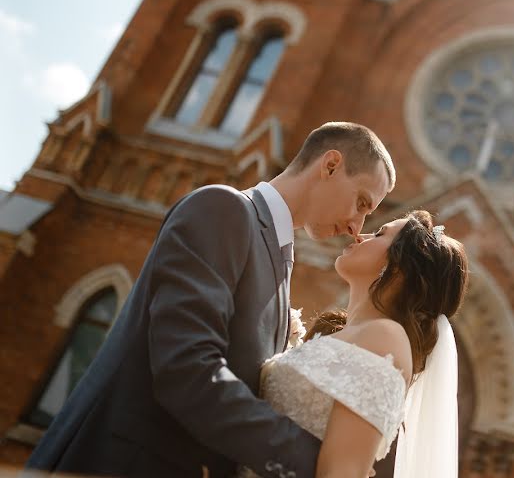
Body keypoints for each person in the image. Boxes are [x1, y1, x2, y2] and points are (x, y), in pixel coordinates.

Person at [26, 122, 395, 478]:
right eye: (361, 202)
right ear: (330, 166)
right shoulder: (224, 210)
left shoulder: (279, 260)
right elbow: (186, 369)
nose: (355, 227)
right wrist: (323, 463)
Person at [246, 209, 469, 478]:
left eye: (378, 233)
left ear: (399, 267)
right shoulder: (349, 335)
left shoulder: (385, 337)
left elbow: (342, 471)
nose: (360, 235)